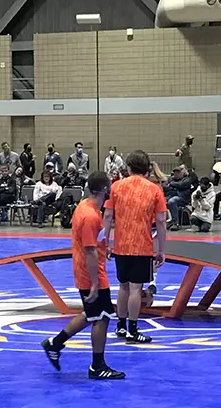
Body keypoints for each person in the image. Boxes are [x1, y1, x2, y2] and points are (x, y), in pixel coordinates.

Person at [41, 172, 125, 379]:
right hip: (90, 273)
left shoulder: (86, 207)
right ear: (105, 190)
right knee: (102, 317)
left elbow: (93, 243)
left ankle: (55, 343)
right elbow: (89, 250)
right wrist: (95, 283)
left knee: (91, 313)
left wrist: (104, 248)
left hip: (89, 269)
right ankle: (97, 366)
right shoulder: (90, 216)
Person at [102, 150, 166, 344]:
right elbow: (161, 221)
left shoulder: (117, 187)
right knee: (136, 289)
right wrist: (161, 249)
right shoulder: (155, 190)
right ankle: (133, 329)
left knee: (123, 287)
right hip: (142, 246)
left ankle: (120, 326)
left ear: (128, 167)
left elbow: (107, 216)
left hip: (121, 245)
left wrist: (105, 241)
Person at [165, 165, 198, 230]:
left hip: (183, 198)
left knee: (172, 201)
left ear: (181, 173)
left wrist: (172, 184)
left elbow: (182, 185)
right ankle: (163, 221)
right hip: (171, 196)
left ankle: (175, 223)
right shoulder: (171, 179)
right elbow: (166, 187)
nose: (176, 174)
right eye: (175, 173)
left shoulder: (186, 179)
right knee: (160, 201)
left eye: (178, 172)